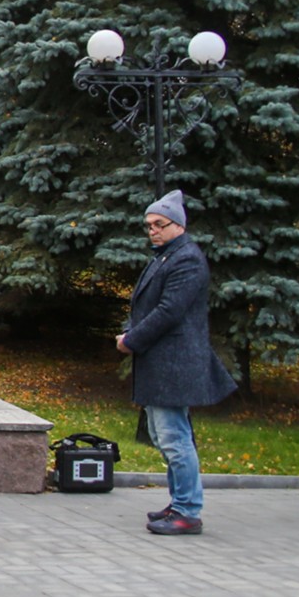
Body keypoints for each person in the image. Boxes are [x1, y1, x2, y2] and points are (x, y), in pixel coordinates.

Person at [116, 190, 237, 536]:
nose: (152, 230)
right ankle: (179, 502)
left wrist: (132, 340)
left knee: (174, 437)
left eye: (159, 224)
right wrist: (130, 332)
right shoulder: (165, 256)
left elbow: (169, 312)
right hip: (161, 361)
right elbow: (145, 307)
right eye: (148, 225)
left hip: (175, 363)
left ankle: (187, 510)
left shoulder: (187, 259)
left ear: (178, 226)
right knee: (162, 433)